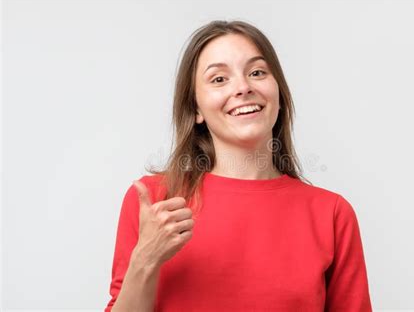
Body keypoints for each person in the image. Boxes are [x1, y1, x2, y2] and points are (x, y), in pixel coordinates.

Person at [105, 20, 373, 311]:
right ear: (195, 109)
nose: (243, 87)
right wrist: (145, 259)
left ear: (279, 94)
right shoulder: (155, 202)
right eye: (219, 79)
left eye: (257, 72)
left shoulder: (331, 214)